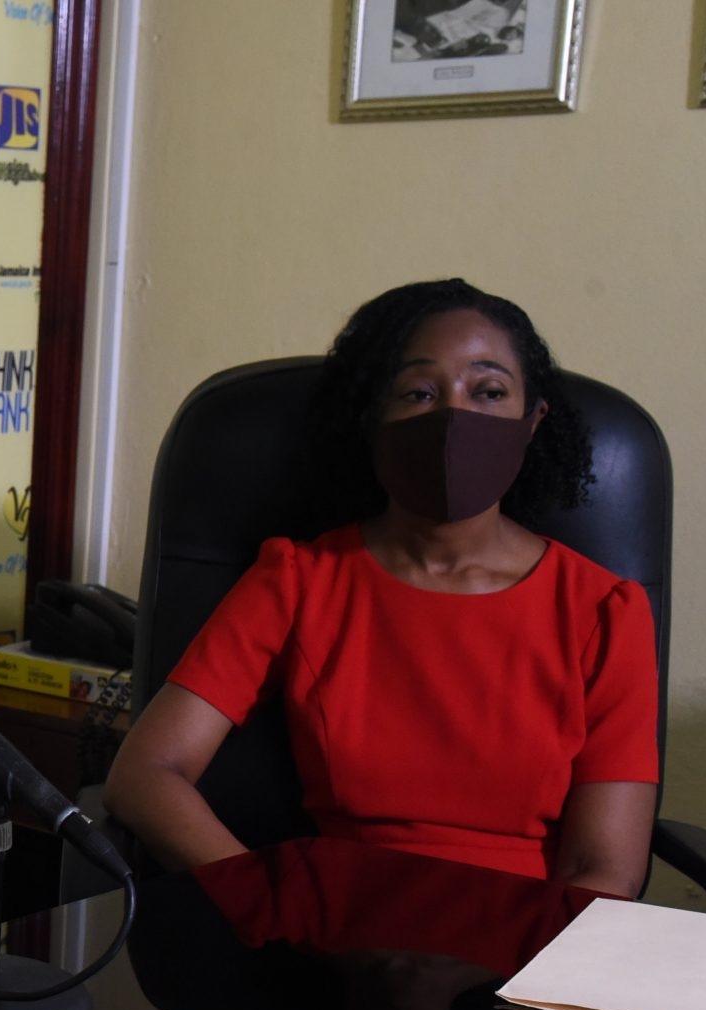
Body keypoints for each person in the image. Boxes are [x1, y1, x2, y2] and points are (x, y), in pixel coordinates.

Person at [103, 280, 660, 897]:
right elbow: (146, 774)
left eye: (490, 391)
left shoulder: (605, 612)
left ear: (533, 423)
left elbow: (606, 873)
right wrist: (278, 907)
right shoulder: (299, 580)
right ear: (372, 419)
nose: (455, 417)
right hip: (337, 931)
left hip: (522, 949)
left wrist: (462, 964)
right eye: (418, 392)